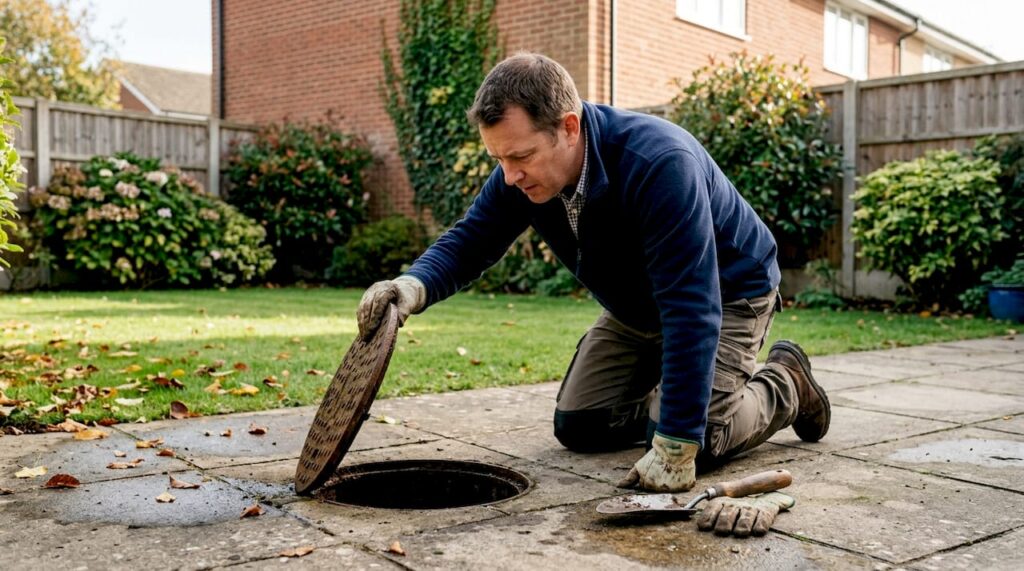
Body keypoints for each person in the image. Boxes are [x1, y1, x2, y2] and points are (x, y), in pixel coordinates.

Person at [357, 53, 830, 537]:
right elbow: (472, 238)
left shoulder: (661, 163)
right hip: (638, 305)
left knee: (698, 438)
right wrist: (409, 287)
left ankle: (786, 384)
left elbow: (692, 305)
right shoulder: (519, 175)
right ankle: (669, 401)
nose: (509, 175)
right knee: (579, 426)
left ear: (568, 126)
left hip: (728, 293)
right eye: (497, 159)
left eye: (519, 157)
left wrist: (675, 441)